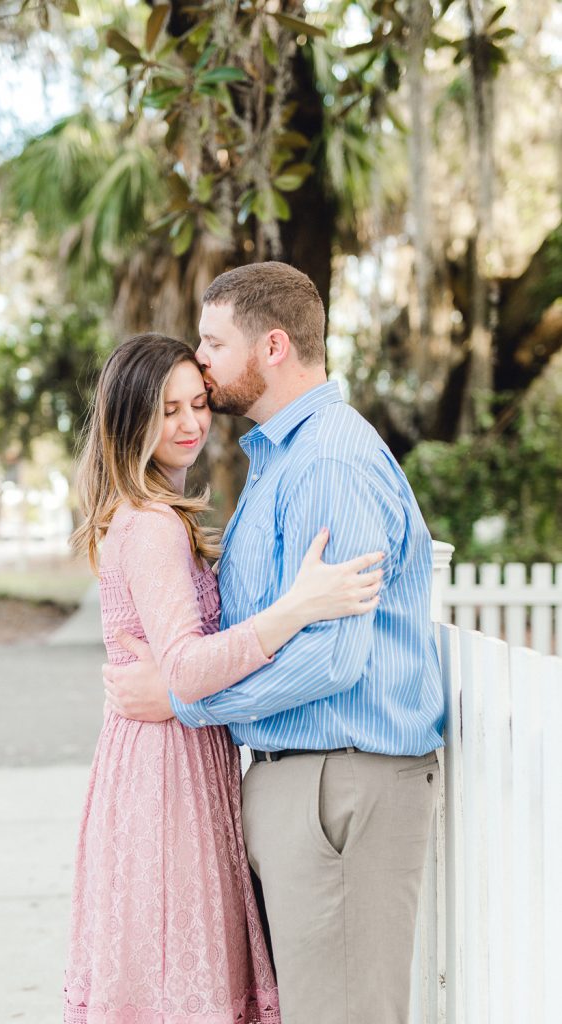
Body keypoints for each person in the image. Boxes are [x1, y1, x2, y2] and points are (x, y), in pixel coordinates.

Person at [102, 263, 446, 1024]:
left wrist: (187, 700)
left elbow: (333, 655)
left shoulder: (326, 460)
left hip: (342, 783)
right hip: (300, 783)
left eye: (213, 342)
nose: (201, 356)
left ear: (273, 347)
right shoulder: (280, 458)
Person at [64, 331, 384, 1024]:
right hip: (165, 775)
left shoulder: (154, 514)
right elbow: (184, 665)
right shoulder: (151, 525)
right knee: (182, 972)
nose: (189, 424)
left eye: (197, 403)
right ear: (130, 421)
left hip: (167, 755)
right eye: (166, 410)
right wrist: (297, 609)